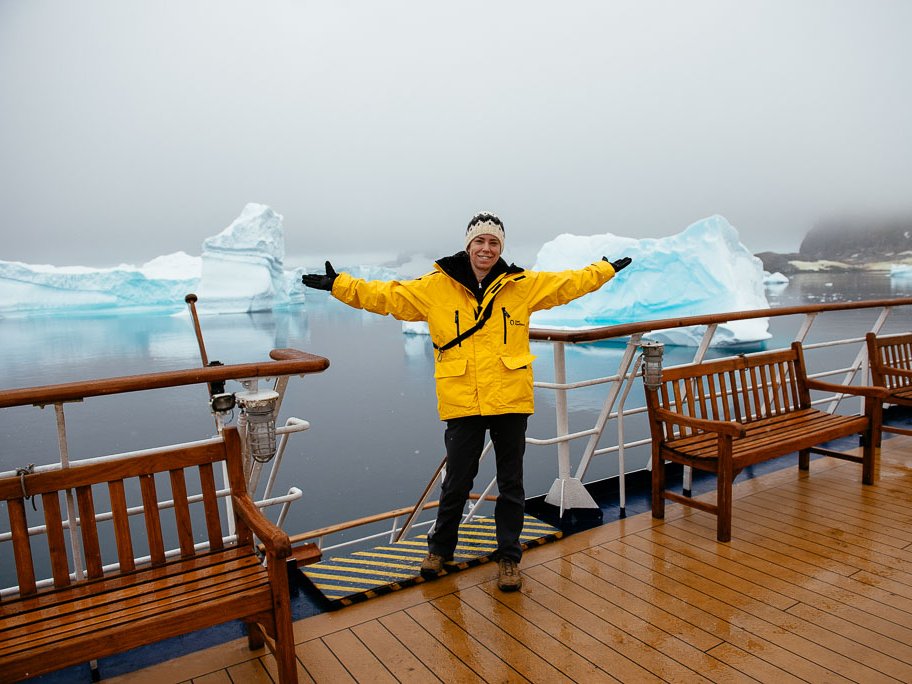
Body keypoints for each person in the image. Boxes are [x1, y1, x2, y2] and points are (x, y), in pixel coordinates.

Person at [302, 212, 631, 591]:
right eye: (480, 241)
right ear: (468, 245)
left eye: (494, 243)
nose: (486, 249)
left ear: (500, 248)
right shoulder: (435, 286)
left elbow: (566, 284)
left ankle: (509, 558)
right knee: (457, 482)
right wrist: (339, 285)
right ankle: (440, 550)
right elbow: (386, 295)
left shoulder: (521, 285)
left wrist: (603, 270)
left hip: (509, 396)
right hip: (463, 397)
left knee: (511, 484)